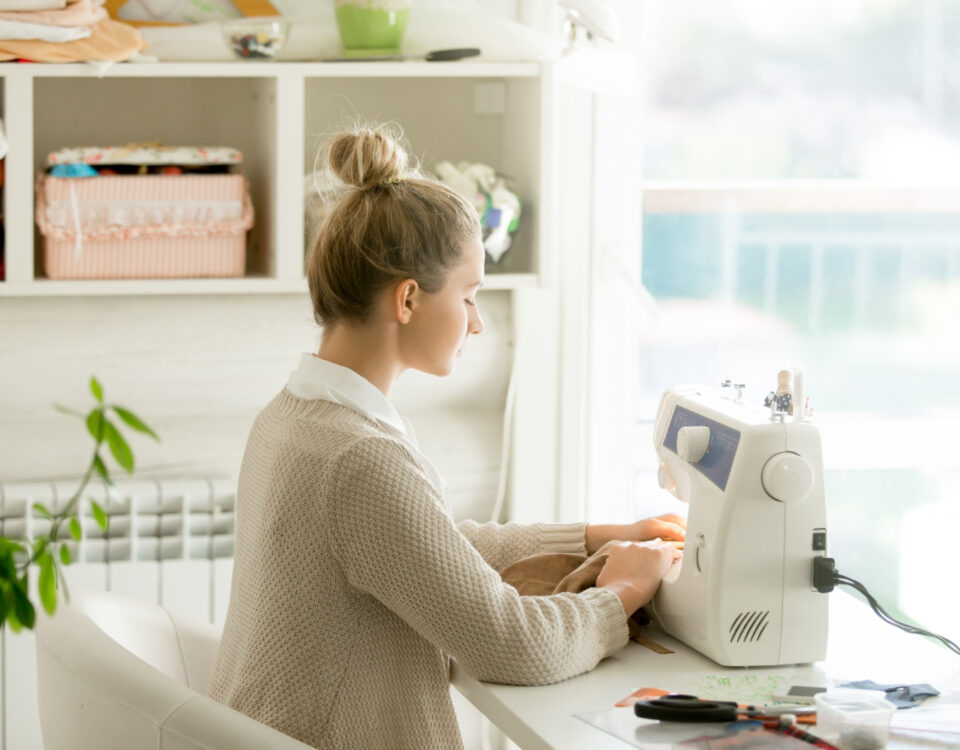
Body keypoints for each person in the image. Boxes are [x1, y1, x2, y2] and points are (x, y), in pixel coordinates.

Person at [207, 125, 684, 750]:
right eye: (470, 295)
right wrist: (622, 594)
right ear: (407, 298)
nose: (478, 323)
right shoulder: (357, 458)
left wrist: (599, 536)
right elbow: (511, 645)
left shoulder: (297, 415)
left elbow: (430, 546)